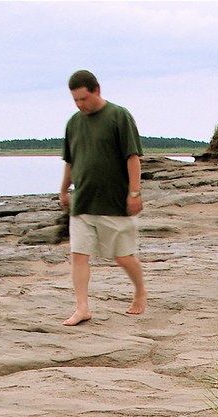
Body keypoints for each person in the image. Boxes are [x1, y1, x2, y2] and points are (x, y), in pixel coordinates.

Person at [59, 70, 146, 326]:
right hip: (83, 201)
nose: (79, 105)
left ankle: (140, 291)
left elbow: (133, 157)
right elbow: (70, 160)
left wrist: (134, 192)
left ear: (96, 89)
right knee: (79, 254)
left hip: (114, 202)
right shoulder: (73, 123)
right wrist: (64, 189)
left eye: (83, 99)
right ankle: (82, 307)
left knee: (123, 256)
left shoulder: (119, 116)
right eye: (75, 100)